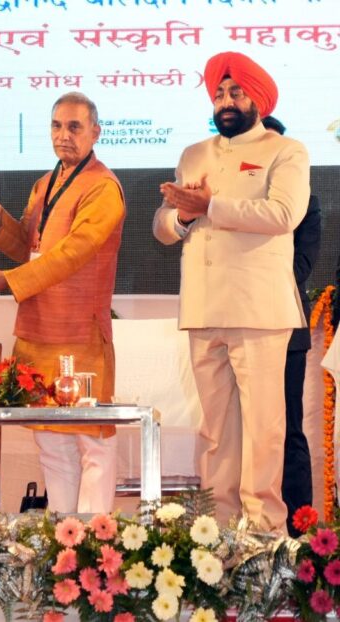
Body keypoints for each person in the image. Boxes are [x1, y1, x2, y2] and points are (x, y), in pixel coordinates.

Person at [153, 52, 310, 533]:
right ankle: (219, 533)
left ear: (256, 99)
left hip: (258, 310)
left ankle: (264, 534)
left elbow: (284, 215)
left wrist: (211, 205)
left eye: (235, 92)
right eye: (219, 93)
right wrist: (181, 216)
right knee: (216, 432)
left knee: (263, 430)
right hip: (204, 309)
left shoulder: (286, 151)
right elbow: (162, 227)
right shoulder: (194, 154)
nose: (225, 101)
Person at [0, 92, 125, 514]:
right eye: (56, 126)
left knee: (91, 442)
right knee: (50, 443)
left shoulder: (103, 188)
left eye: (74, 127)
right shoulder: (45, 183)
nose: (63, 135)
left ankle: (92, 539)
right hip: (38, 329)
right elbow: (30, 247)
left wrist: (7, 281)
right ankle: (62, 535)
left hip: (80, 333)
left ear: (95, 132)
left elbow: (72, 253)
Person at [261, 114, 320, 536]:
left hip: (284, 327)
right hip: (232, 327)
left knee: (288, 430)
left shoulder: (305, 202)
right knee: (239, 434)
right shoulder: (223, 199)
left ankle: (301, 535)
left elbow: (300, 267)